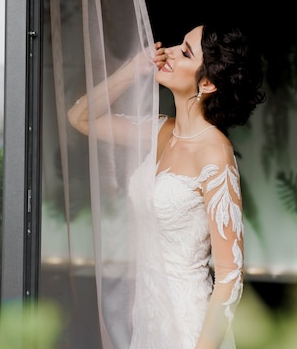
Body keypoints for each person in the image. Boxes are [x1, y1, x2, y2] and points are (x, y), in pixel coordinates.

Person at [67, 22, 266, 349]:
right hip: (148, 319)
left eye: (185, 52)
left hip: (189, 328)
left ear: (207, 82)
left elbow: (230, 277)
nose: (168, 53)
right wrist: (131, 72)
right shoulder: (159, 131)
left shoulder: (215, 154)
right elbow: (80, 118)